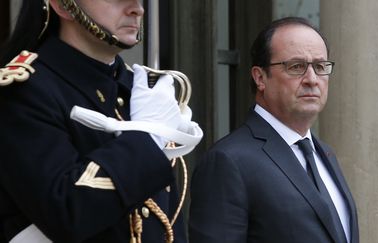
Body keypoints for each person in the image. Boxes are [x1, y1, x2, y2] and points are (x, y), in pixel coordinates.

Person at [0, 0, 197, 242]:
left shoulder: (138, 90)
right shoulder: (25, 91)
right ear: (63, 6)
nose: (137, 9)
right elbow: (66, 210)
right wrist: (147, 138)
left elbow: (167, 224)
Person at [189, 17, 359, 243]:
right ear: (260, 77)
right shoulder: (228, 161)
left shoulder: (324, 154)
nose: (312, 79)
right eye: (296, 67)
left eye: (320, 67)